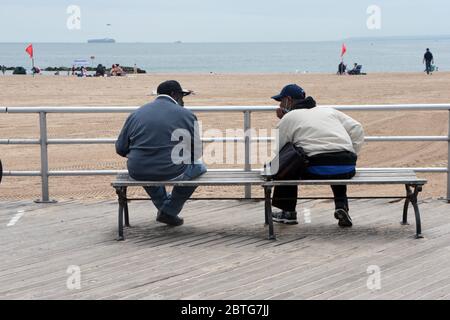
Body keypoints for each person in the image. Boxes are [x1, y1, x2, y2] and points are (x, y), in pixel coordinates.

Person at [270, 84, 365, 227]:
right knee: (335, 161)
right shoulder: (328, 111)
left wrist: (284, 119)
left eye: (281, 101)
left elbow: (279, 149)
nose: (280, 104)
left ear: (288, 100)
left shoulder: (290, 117)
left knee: (287, 165)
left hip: (317, 167)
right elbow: (357, 128)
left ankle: (288, 212)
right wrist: (352, 152)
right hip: (347, 165)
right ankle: (341, 206)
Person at [116, 80, 206, 226]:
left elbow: (120, 148)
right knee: (199, 167)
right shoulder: (187, 115)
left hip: (138, 170)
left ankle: (165, 208)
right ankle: (169, 210)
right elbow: (197, 152)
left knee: (147, 169)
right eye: (182, 97)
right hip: (171, 170)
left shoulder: (136, 113)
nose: (183, 101)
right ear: (174, 95)